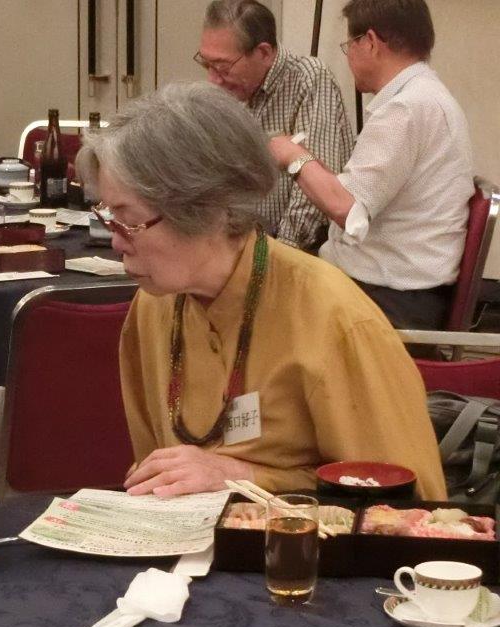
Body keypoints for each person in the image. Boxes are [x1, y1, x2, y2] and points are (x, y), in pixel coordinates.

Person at [77, 82, 445, 500]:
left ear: (206, 210)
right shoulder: (154, 306)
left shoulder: (335, 322)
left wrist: (247, 477)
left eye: (129, 220)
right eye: (108, 216)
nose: (115, 240)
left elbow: (412, 508)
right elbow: (154, 471)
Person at [269, 0, 473, 330]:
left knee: (257, 291)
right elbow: (357, 193)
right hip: (397, 287)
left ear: (371, 42)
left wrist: (292, 156)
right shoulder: (425, 97)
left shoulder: (405, 108)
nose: (348, 55)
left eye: (349, 45)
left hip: (390, 297)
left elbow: (348, 210)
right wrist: (308, 161)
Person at [197, 0, 354, 253]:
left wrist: (275, 258)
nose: (213, 80)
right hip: (244, 246)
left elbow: (313, 202)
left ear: (264, 53)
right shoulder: (229, 91)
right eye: (206, 65)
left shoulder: (309, 79)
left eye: (222, 67)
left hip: (297, 250)